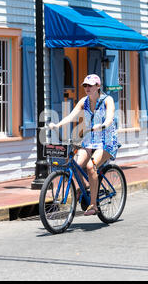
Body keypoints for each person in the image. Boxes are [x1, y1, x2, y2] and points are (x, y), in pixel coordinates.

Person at [48, 74, 119, 216]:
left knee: (90, 166)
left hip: (106, 141)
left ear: (98, 86)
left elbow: (110, 117)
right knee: (74, 164)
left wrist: (103, 125)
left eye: (90, 85)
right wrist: (57, 125)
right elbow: (71, 116)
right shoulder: (84, 101)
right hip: (90, 140)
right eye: (85, 85)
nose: (87, 88)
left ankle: (93, 205)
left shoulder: (107, 100)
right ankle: (86, 186)